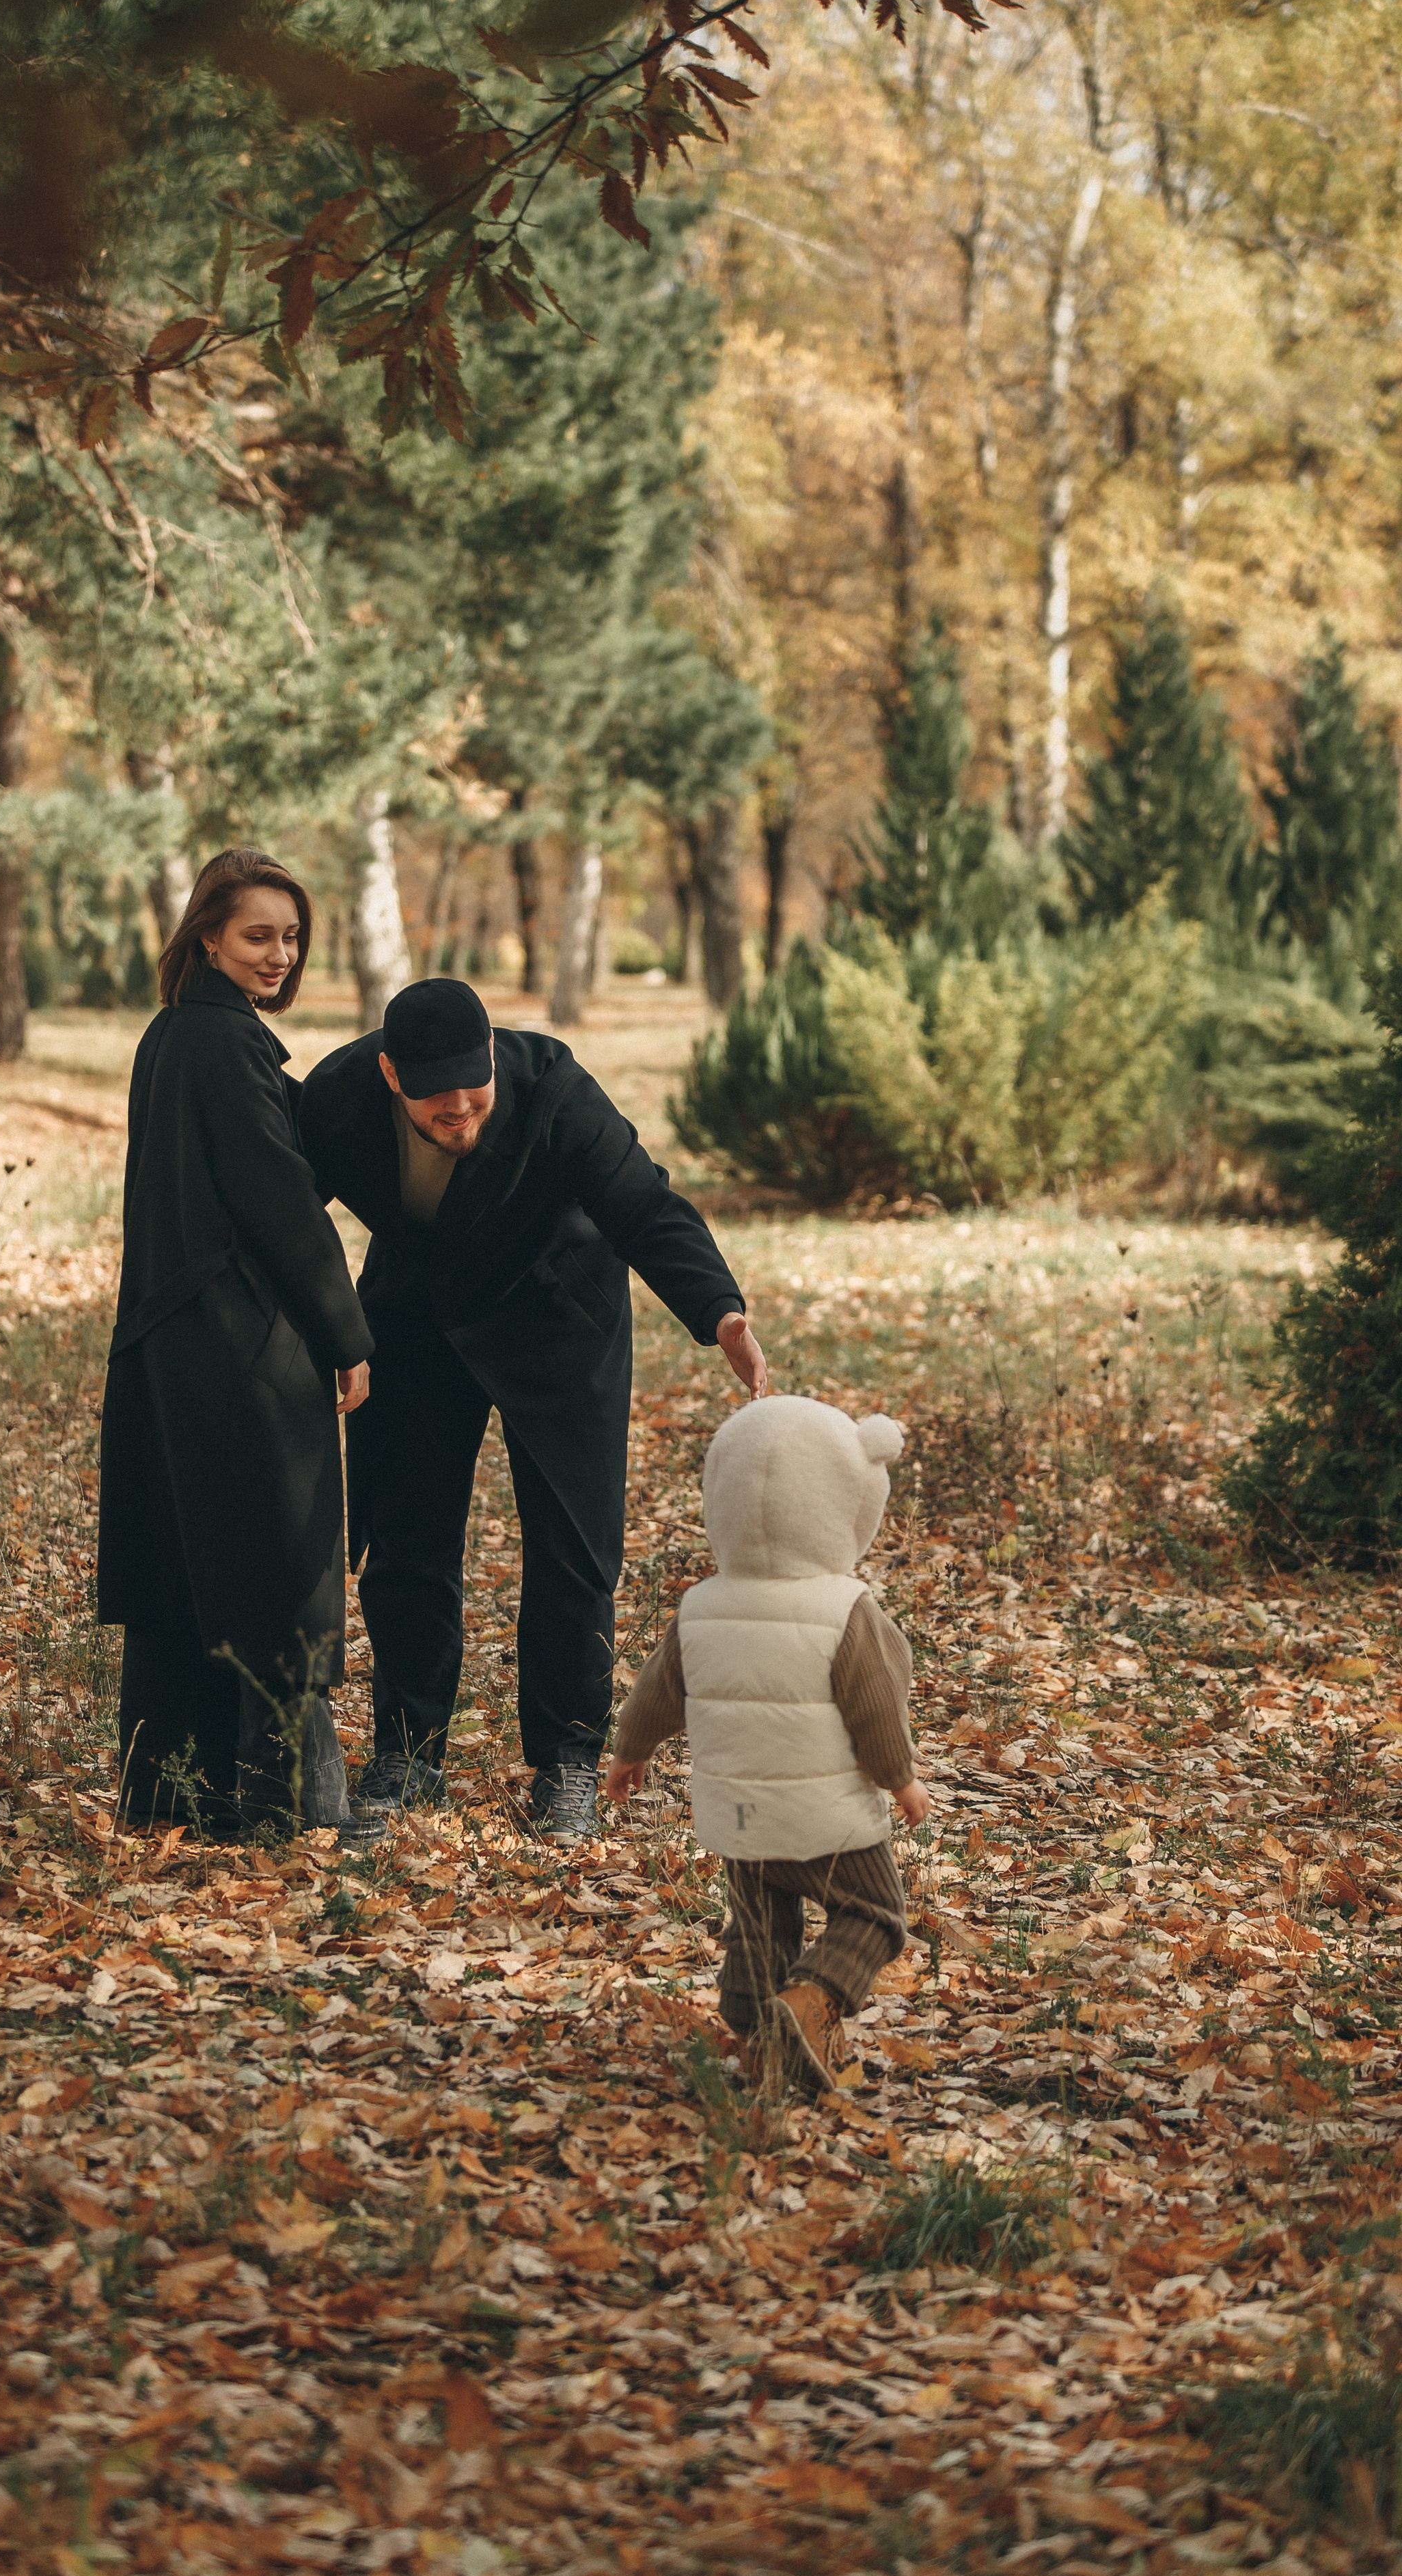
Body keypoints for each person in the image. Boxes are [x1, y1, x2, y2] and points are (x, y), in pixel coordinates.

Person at [297, 975, 767, 1846]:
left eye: (473, 1091)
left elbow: (642, 1203)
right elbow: (283, 1214)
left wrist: (719, 1311)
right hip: (416, 1315)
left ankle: (567, 1759)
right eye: (435, 1098)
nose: (459, 1111)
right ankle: (407, 1753)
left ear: (491, 1059)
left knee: (573, 1543)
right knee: (404, 1536)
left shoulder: (554, 1089)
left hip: (559, 1318)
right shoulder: (337, 1098)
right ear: (391, 1075)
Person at [97, 849, 373, 1838]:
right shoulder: (226, 1044)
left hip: (169, 1342)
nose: (278, 954)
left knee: (186, 1569)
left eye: (291, 937)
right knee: (277, 1568)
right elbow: (280, 1206)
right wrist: (346, 1335)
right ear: (207, 935)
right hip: (243, 1343)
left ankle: (175, 1790)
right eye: (258, 934)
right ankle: (290, 1803)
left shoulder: (173, 1035)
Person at [605, 1395, 931, 2094]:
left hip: (740, 1815)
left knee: (757, 1931)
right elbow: (875, 1706)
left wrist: (630, 1750)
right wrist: (899, 1777)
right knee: (875, 1914)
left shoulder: (701, 1607)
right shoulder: (846, 1610)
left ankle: (759, 2043)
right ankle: (811, 1999)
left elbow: (658, 1691)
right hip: (827, 1817)